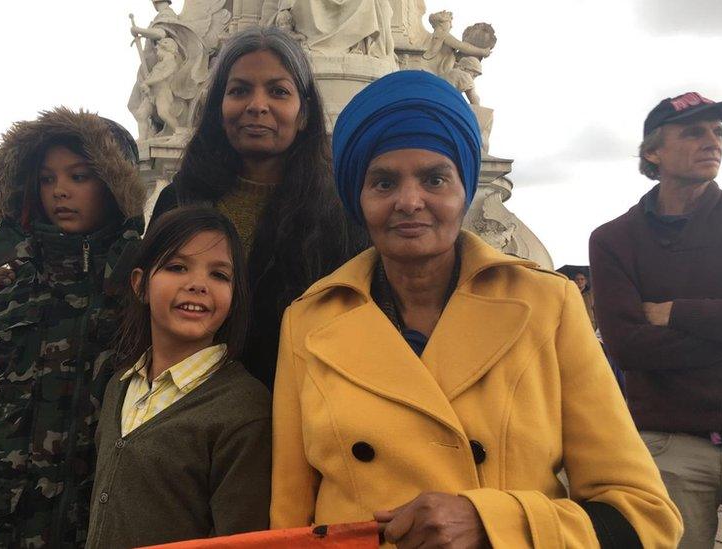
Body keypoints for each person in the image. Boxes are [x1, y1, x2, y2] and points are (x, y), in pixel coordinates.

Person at [271, 70, 682, 547]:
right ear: (356, 199)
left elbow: (644, 515)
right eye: (383, 182)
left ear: (464, 189)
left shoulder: (547, 304)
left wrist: (493, 523)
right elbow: (290, 520)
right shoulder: (308, 320)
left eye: (434, 179)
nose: (410, 201)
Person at [0, 108, 144, 547]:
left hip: (96, 528)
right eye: (47, 179)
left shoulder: (142, 298)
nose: (60, 191)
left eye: (79, 176)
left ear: (115, 184)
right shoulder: (2, 299)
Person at [590, 91, 722, 548]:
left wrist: (679, 313)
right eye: (694, 132)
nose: (712, 141)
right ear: (653, 152)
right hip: (668, 446)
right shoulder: (614, 239)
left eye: (718, 131)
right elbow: (629, 348)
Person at [150, 26, 365, 389]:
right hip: (185, 409)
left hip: (299, 408)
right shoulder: (179, 199)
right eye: (239, 90)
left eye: (278, 91)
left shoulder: (342, 213)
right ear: (220, 108)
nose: (257, 105)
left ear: (304, 114)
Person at [86, 207, 270, 548]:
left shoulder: (244, 408)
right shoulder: (120, 385)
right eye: (177, 267)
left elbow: (241, 538)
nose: (198, 284)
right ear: (140, 284)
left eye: (219, 275)